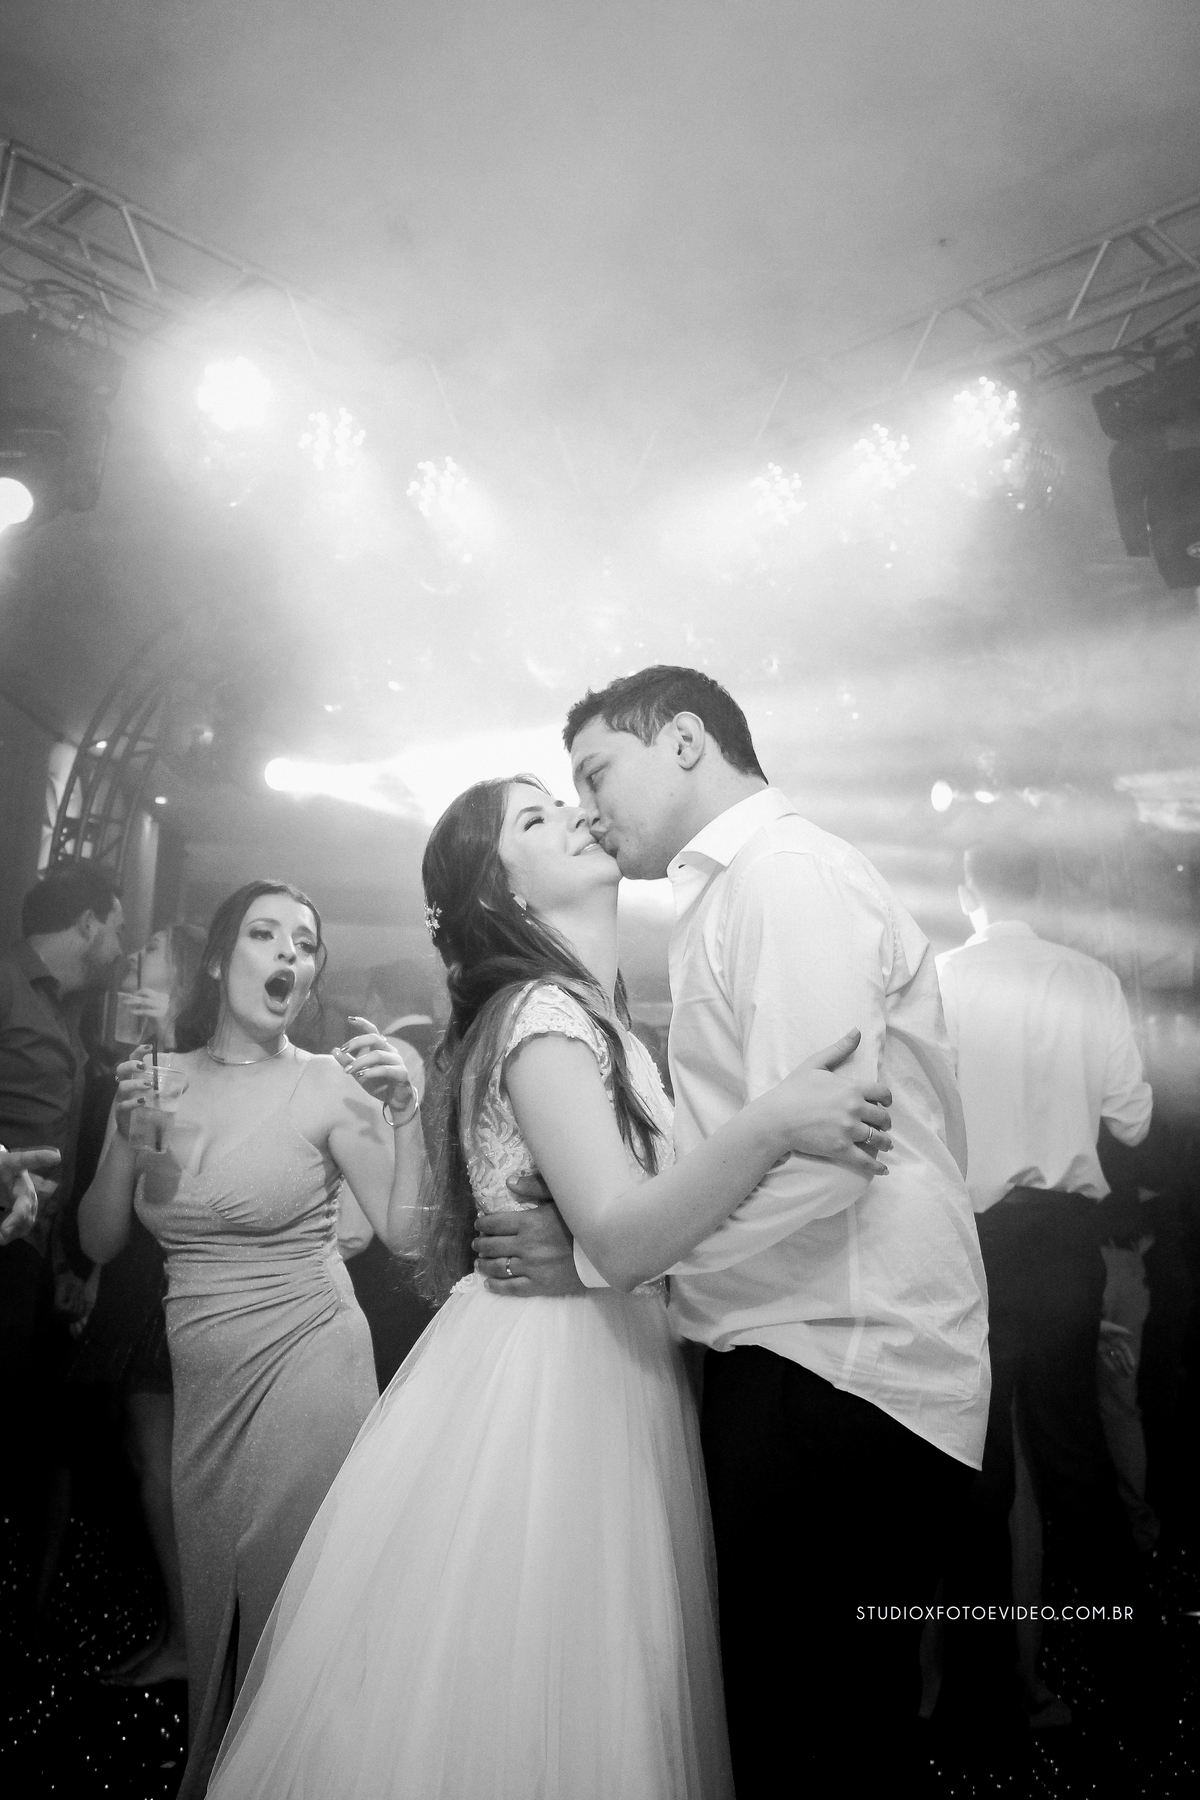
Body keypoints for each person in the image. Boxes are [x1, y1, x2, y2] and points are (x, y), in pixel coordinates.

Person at [206, 775, 892, 1800]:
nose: (573, 814)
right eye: (535, 819)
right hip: (549, 1386)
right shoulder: (542, 1015)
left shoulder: (590, 1017)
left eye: (560, 801)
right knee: (537, 1676)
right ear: (504, 895)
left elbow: (632, 1225)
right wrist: (774, 1123)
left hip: (607, 1357)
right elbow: (621, 1233)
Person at [476, 667, 990, 1793]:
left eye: (596, 774)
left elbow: (825, 1157)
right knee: (798, 1721)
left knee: (815, 1733)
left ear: (685, 742)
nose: (588, 809)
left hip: (843, 1360)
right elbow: (757, 1140)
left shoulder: (783, 876)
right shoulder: (729, 893)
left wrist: (622, 1259)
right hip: (802, 1348)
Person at [77, 879, 422, 1798]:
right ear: (221, 959)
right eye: (266, 935)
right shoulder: (159, 1080)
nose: (289, 955)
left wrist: (405, 1114)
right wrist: (124, 1139)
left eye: (304, 945)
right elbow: (100, 1240)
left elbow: (405, 1233)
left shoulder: (330, 1084)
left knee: (289, 1605)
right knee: (212, 1597)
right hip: (206, 1379)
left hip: (310, 1358)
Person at [934, 839, 1152, 1723]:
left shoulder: (938, 981)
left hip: (974, 1243)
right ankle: (1133, 1685)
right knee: (1077, 1460)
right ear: (1041, 886)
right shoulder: (1089, 980)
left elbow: (914, 1125)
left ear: (967, 891)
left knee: (977, 1470)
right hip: (1065, 1241)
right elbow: (1133, 1120)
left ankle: (989, 1702)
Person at [67, 922, 207, 1686]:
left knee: (165, 1463)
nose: (134, 959)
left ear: (182, 972)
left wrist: (168, 1052)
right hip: (133, 1277)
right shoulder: (139, 1061)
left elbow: (182, 1187)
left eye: (151, 952)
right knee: (148, 1457)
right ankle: (181, 1625)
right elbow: (105, 1217)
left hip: (176, 1283)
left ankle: (191, 1636)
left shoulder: (200, 1063)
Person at [0, 865, 125, 1653]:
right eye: (116, 927)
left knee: (34, 1437)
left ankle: (25, 1618)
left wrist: (69, 1266)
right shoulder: (7, 984)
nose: (121, 945)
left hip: (35, 1260)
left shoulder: (68, 1012)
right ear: (86, 924)